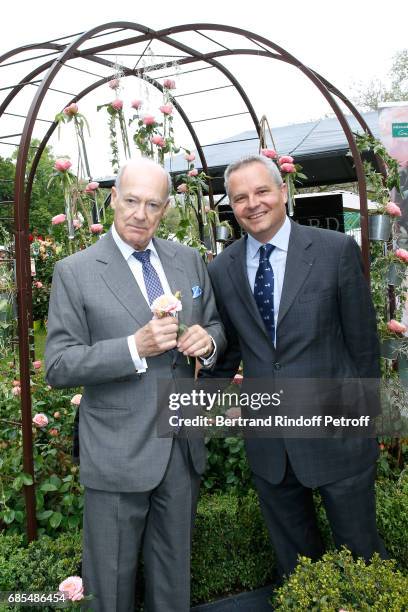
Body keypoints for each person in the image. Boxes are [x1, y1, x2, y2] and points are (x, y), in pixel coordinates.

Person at [45, 157, 226, 612]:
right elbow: (59, 365)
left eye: (152, 204)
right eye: (130, 201)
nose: (140, 214)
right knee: (110, 586)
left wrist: (208, 343)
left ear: (165, 209)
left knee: (173, 579)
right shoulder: (76, 271)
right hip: (117, 451)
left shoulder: (187, 260)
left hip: (181, 446)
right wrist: (133, 347)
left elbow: (217, 327)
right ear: (112, 199)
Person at [203, 154, 387, 579]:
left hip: (339, 434)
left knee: (363, 557)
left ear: (283, 192)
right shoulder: (223, 268)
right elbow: (228, 351)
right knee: (297, 568)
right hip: (270, 443)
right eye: (240, 197)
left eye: (262, 191)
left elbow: (363, 345)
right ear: (231, 205)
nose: (253, 204)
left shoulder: (334, 251)